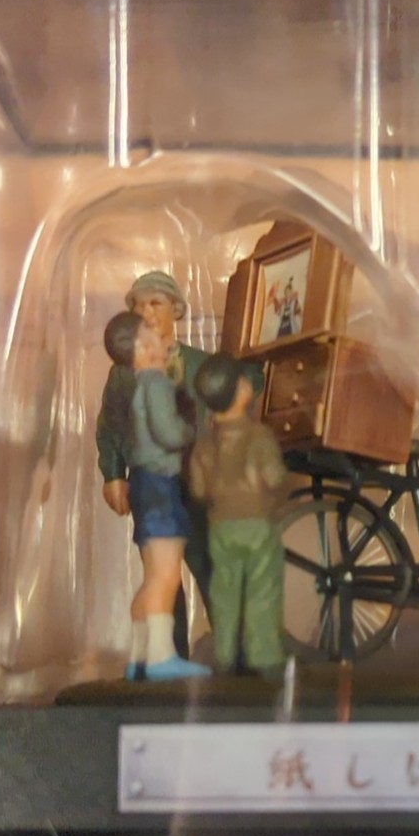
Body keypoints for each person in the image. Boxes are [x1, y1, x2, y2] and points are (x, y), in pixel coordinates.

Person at [96, 269, 264, 651]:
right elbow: (110, 426)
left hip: (198, 483)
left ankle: (235, 649)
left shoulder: (201, 364)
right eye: (138, 306)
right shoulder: (123, 375)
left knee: (211, 564)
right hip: (152, 484)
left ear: (176, 309)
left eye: (155, 303)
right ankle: (167, 655)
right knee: (162, 574)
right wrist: (113, 474)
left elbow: (248, 384)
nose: (146, 312)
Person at [102, 311, 210, 680]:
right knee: (166, 576)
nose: (164, 344)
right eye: (154, 339)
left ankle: (140, 657)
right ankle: (162, 657)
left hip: (145, 485)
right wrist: (189, 429)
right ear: (145, 349)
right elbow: (168, 432)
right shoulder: (158, 385)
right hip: (162, 487)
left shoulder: (136, 387)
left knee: (152, 577)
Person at [189, 353, 288, 677]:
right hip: (257, 524)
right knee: (262, 588)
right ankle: (263, 655)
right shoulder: (259, 437)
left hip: (220, 526)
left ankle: (225, 654)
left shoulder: (204, 445)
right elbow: (274, 477)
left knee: (224, 591)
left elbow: (198, 489)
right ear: (241, 391)